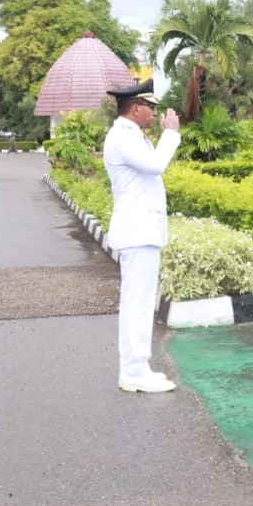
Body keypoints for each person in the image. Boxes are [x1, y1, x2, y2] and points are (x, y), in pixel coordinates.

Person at [102, 79, 181, 393]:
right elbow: (156, 165)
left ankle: (138, 367)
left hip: (141, 231)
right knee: (138, 303)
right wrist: (171, 133)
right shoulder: (124, 137)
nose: (155, 113)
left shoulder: (131, 135)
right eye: (151, 107)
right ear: (136, 108)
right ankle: (134, 372)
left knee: (141, 302)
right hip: (137, 231)